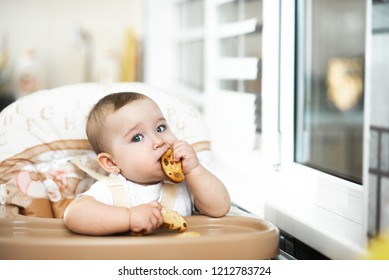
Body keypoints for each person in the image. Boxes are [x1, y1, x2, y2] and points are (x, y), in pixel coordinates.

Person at [64, 92, 230, 235]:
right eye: (137, 137)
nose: (158, 141)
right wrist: (129, 218)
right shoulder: (113, 190)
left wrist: (194, 169)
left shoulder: (186, 184)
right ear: (111, 162)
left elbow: (220, 207)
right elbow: (74, 215)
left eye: (160, 128)